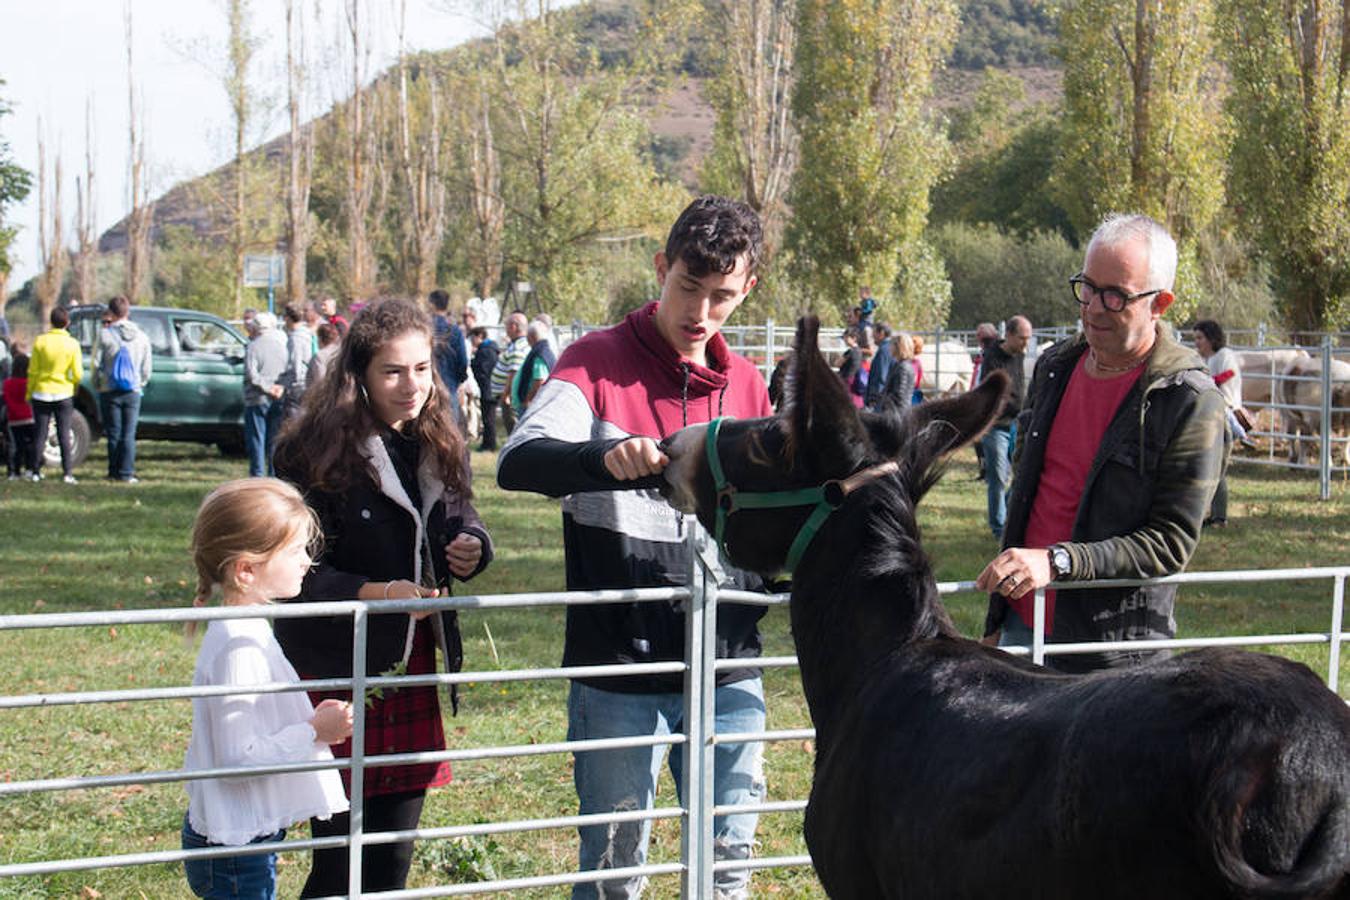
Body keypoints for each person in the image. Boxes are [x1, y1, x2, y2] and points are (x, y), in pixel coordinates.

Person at [497, 195, 772, 899]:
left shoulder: (746, 385)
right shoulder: (594, 362)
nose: (700, 313)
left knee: (727, 869)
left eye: (722, 297)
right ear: (661, 267)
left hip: (729, 669)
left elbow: (766, 521)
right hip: (619, 669)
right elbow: (518, 460)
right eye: (688, 287)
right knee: (617, 877)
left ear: (748, 292)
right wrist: (601, 457)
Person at [271, 297, 493, 897]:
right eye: (392, 371)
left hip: (412, 662)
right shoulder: (310, 452)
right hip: (339, 665)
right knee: (339, 861)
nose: (412, 385)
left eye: (422, 369)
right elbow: (294, 576)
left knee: (393, 860)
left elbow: (460, 516)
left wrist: (472, 545)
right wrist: (378, 592)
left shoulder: (437, 440)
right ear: (359, 376)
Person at [977, 213, 1228, 673]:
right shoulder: (1055, 367)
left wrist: (1059, 562)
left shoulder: (1189, 402)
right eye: (1087, 288)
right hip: (1021, 623)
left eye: (1115, 296)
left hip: (1110, 658)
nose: (1093, 308)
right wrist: (999, 616)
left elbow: (1168, 544)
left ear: (1160, 304)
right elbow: (1028, 495)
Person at [181, 477, 352, 900]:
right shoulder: (238, 645)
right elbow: (237, 759)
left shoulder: (246, 627)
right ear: (246, 569)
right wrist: (314, 730)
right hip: (235, 848)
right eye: (294, 551)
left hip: (240, 838)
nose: (306, 562)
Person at [977, 315, 1032, 540]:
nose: (1025, 344)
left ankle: (1009, 513)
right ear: (1008, 335)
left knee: (1022, 474)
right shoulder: (992, 357)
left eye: (1028, 339)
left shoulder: (1019, 355)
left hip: (1017, 425)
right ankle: (999, 528)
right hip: (996, 426)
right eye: (1022, 339)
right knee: (998, 477)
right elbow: (993, 393)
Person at [1193, 319, 1248, 526]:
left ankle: (1219, 516)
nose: (1197, 342)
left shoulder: (1224, 356)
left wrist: (1204, 382)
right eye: (1195, 338)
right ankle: (1213, 514)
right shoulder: (1208, 359)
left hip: (1225, 415)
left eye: (1200, 338)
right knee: (1211, 466)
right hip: (1211, 416)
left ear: (1211, 338)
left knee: (1218, 468)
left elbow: (1228, 376)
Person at [92, 295, 153, 483]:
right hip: (132, 390)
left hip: (109, 389)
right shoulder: (142, 336)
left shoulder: (104, 334)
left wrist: (98, 384)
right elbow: (146, 367)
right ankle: (127, 472)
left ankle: (113, 471)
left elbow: (95, 363)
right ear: (128, 312)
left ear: (111, 312)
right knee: (129, 433)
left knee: (113, 432)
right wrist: (140, 383)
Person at [26, 306, 83, 483]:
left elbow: (33, 371)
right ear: (67, 323)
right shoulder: (72, 344)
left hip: (42, 392)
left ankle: (35, 471)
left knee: (40, 434)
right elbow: (78, 373)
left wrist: (29, 392)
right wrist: (73, 387)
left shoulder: (40, 342)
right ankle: (67, 473)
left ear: (51, 322)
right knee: (64, 433)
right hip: (63, 392)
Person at [243, 313, 288, 477]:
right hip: (278, 397)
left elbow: (252, 375)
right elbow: (287, 371)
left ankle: (257, 476)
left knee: (256, 439)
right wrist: (279, 388)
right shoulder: (282, 345)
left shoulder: (253, 346)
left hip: (257, 398)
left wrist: (267, 388)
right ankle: (274, 476)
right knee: (274, 440)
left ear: (256, 327)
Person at [428, 289, 468, 426]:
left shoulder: (424, 327)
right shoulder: (454, 330)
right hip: (449, 385)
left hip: (428, 384)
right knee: (450, 430)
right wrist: (460, 380)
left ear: (432, 304)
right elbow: (462, 361)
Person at [491, 312, 529, 437]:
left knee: (513, 429)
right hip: (511, 397)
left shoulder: (517, 347)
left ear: (513, 326)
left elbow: (513, 373)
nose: (505, 328)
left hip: (510, 399)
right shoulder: (519, 344)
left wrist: (506, 394)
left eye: (507, 325)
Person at [971, 322, 999, 481]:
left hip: (985, 401)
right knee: (978, 438)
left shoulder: (991, 355)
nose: (977, 338)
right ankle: (984, 470)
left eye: (979, 335)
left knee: (985, 438)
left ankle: (990, 471)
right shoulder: (983, 354)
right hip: (978, 398)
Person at [278, 304, 315, 421]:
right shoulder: (308, 333)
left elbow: (296, 367)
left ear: (288, 318)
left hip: (298, 387)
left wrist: (286, 385)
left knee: (293, 423)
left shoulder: (296, 338)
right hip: (308, 382)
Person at [511, 317, 556, 411]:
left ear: (530, 337)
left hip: (530, 407)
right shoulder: (541, 351)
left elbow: (539, 380)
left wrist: (528, 400)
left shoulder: (540, 354)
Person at [3, 353, 35, 480]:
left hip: (13, 419)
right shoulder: (28, 382)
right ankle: (29, 469)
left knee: (15, 446)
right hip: (28, 417)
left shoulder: (8, 383)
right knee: (30, 445)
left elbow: (6, 399)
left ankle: (13, 471)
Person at [469, 326, 500, 451]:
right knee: (486, 417)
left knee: (489, 419)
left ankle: (490, 444)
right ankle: (487, 443)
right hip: (487, 388)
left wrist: (474, 364)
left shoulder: (487, 351)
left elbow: (484, 370)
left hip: (488, 389)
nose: (472, 340)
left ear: (480, 336)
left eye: (473, 337)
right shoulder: (484, 349)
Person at [879, 331, 917, 413]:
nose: (889, 348)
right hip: (896, 412)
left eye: (891, 345)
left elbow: (899, 395)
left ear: (899, 347)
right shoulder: (900, 365)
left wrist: (883, 399)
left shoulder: (903, 367)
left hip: (897, 414)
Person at [864, 322, 894, 411]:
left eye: (874, 333)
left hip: (879, 399)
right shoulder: (889, 348)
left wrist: (874, 398)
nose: (872, 337)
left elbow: (881, 376)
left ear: (881, 333)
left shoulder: (884, 351)